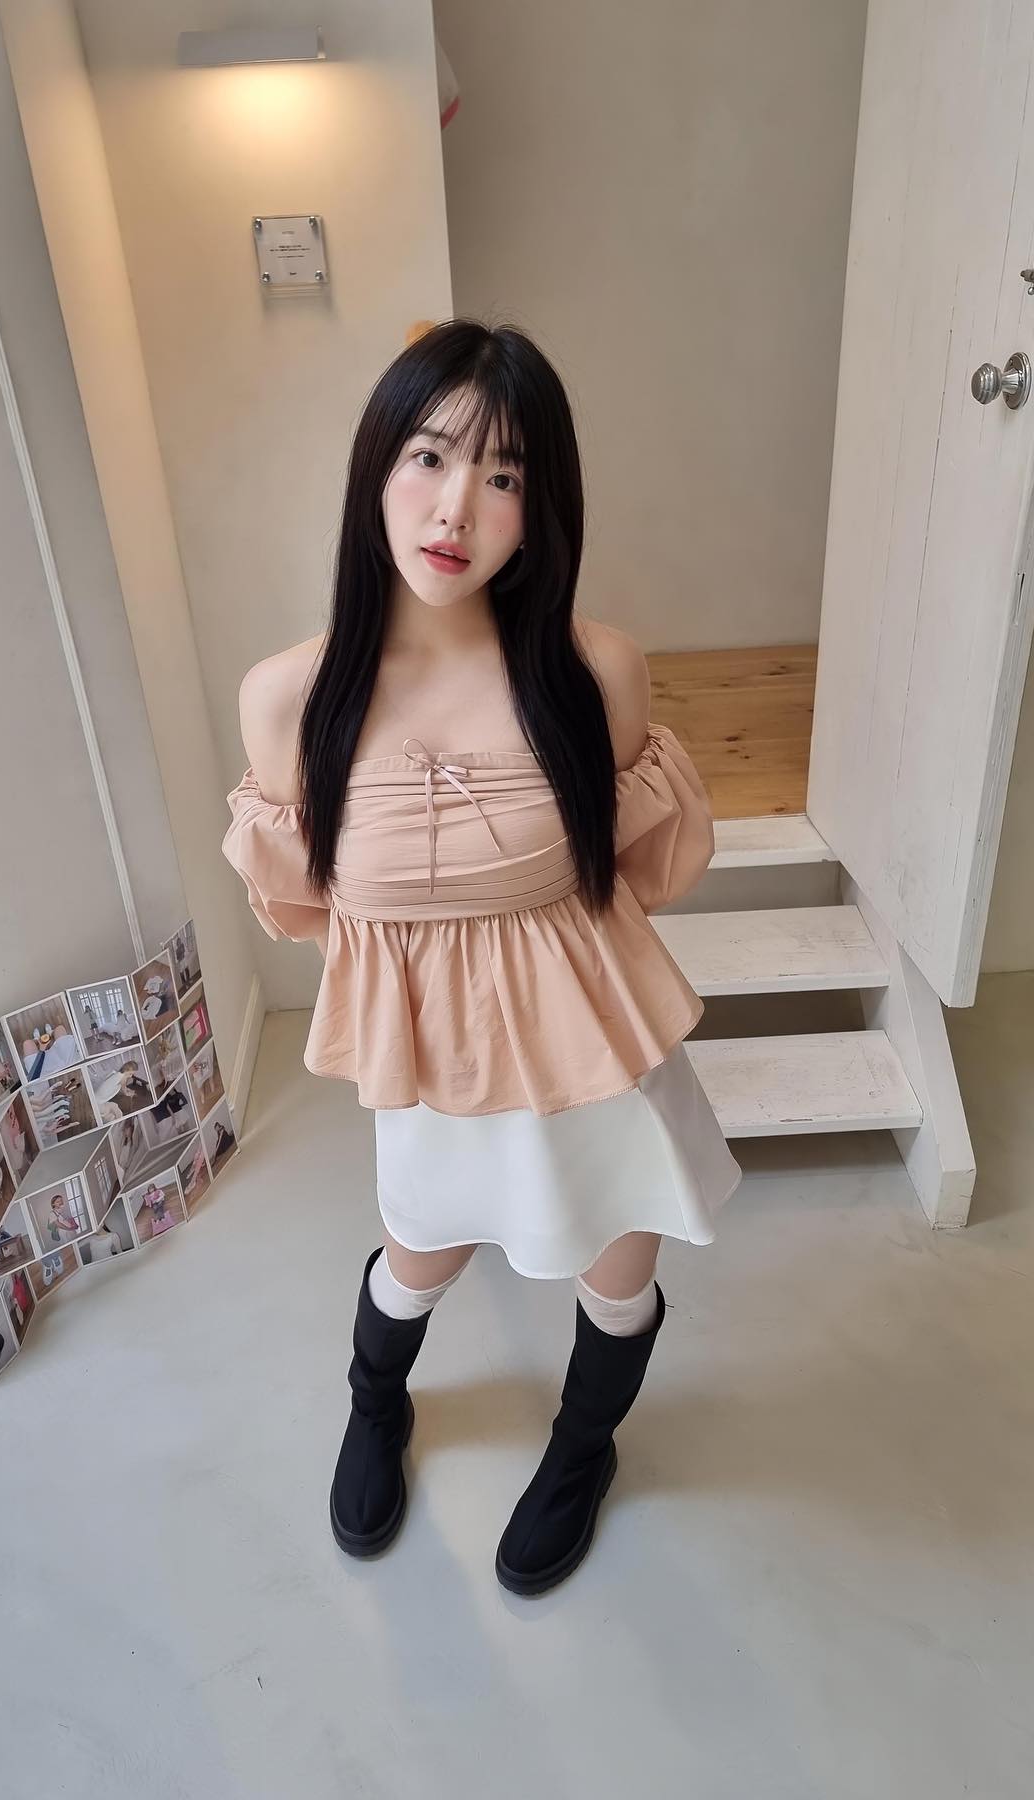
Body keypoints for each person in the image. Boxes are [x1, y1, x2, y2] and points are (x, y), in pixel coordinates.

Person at [222, 320, 742, 1597]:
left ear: (537, 512)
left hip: (595, 1044)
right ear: (376, 467)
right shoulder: (292, 698)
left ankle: (582, 1450)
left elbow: (640, 874)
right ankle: (375, 1405)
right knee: (420, 1256)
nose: (457, 506)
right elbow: (308, 909)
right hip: (434, 1059)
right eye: (430, 455)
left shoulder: (594, 670)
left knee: (620, 1263)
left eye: (503, 475)